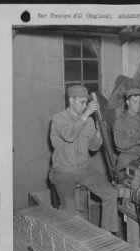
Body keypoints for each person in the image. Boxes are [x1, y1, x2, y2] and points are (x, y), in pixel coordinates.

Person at [49, 85, 118, 233]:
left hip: (84, 169)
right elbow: (69, 135)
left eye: (86, 102)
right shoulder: (58, 119)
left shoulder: (90, 121)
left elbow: (92, 147)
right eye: (81, 102)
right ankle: (69, 242)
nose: (85, 105)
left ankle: (107, 235)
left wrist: (98, 135)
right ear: (70, 100)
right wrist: (86, 114)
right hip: (63, 171)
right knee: (69, 206)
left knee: (111, 193)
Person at [113, 86, 140, 170]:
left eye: (139, 102)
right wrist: (138, 141)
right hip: (126, 161)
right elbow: (119, 143)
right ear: (128, 102)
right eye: (135, 102)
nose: (138, 105)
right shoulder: (120, 121)